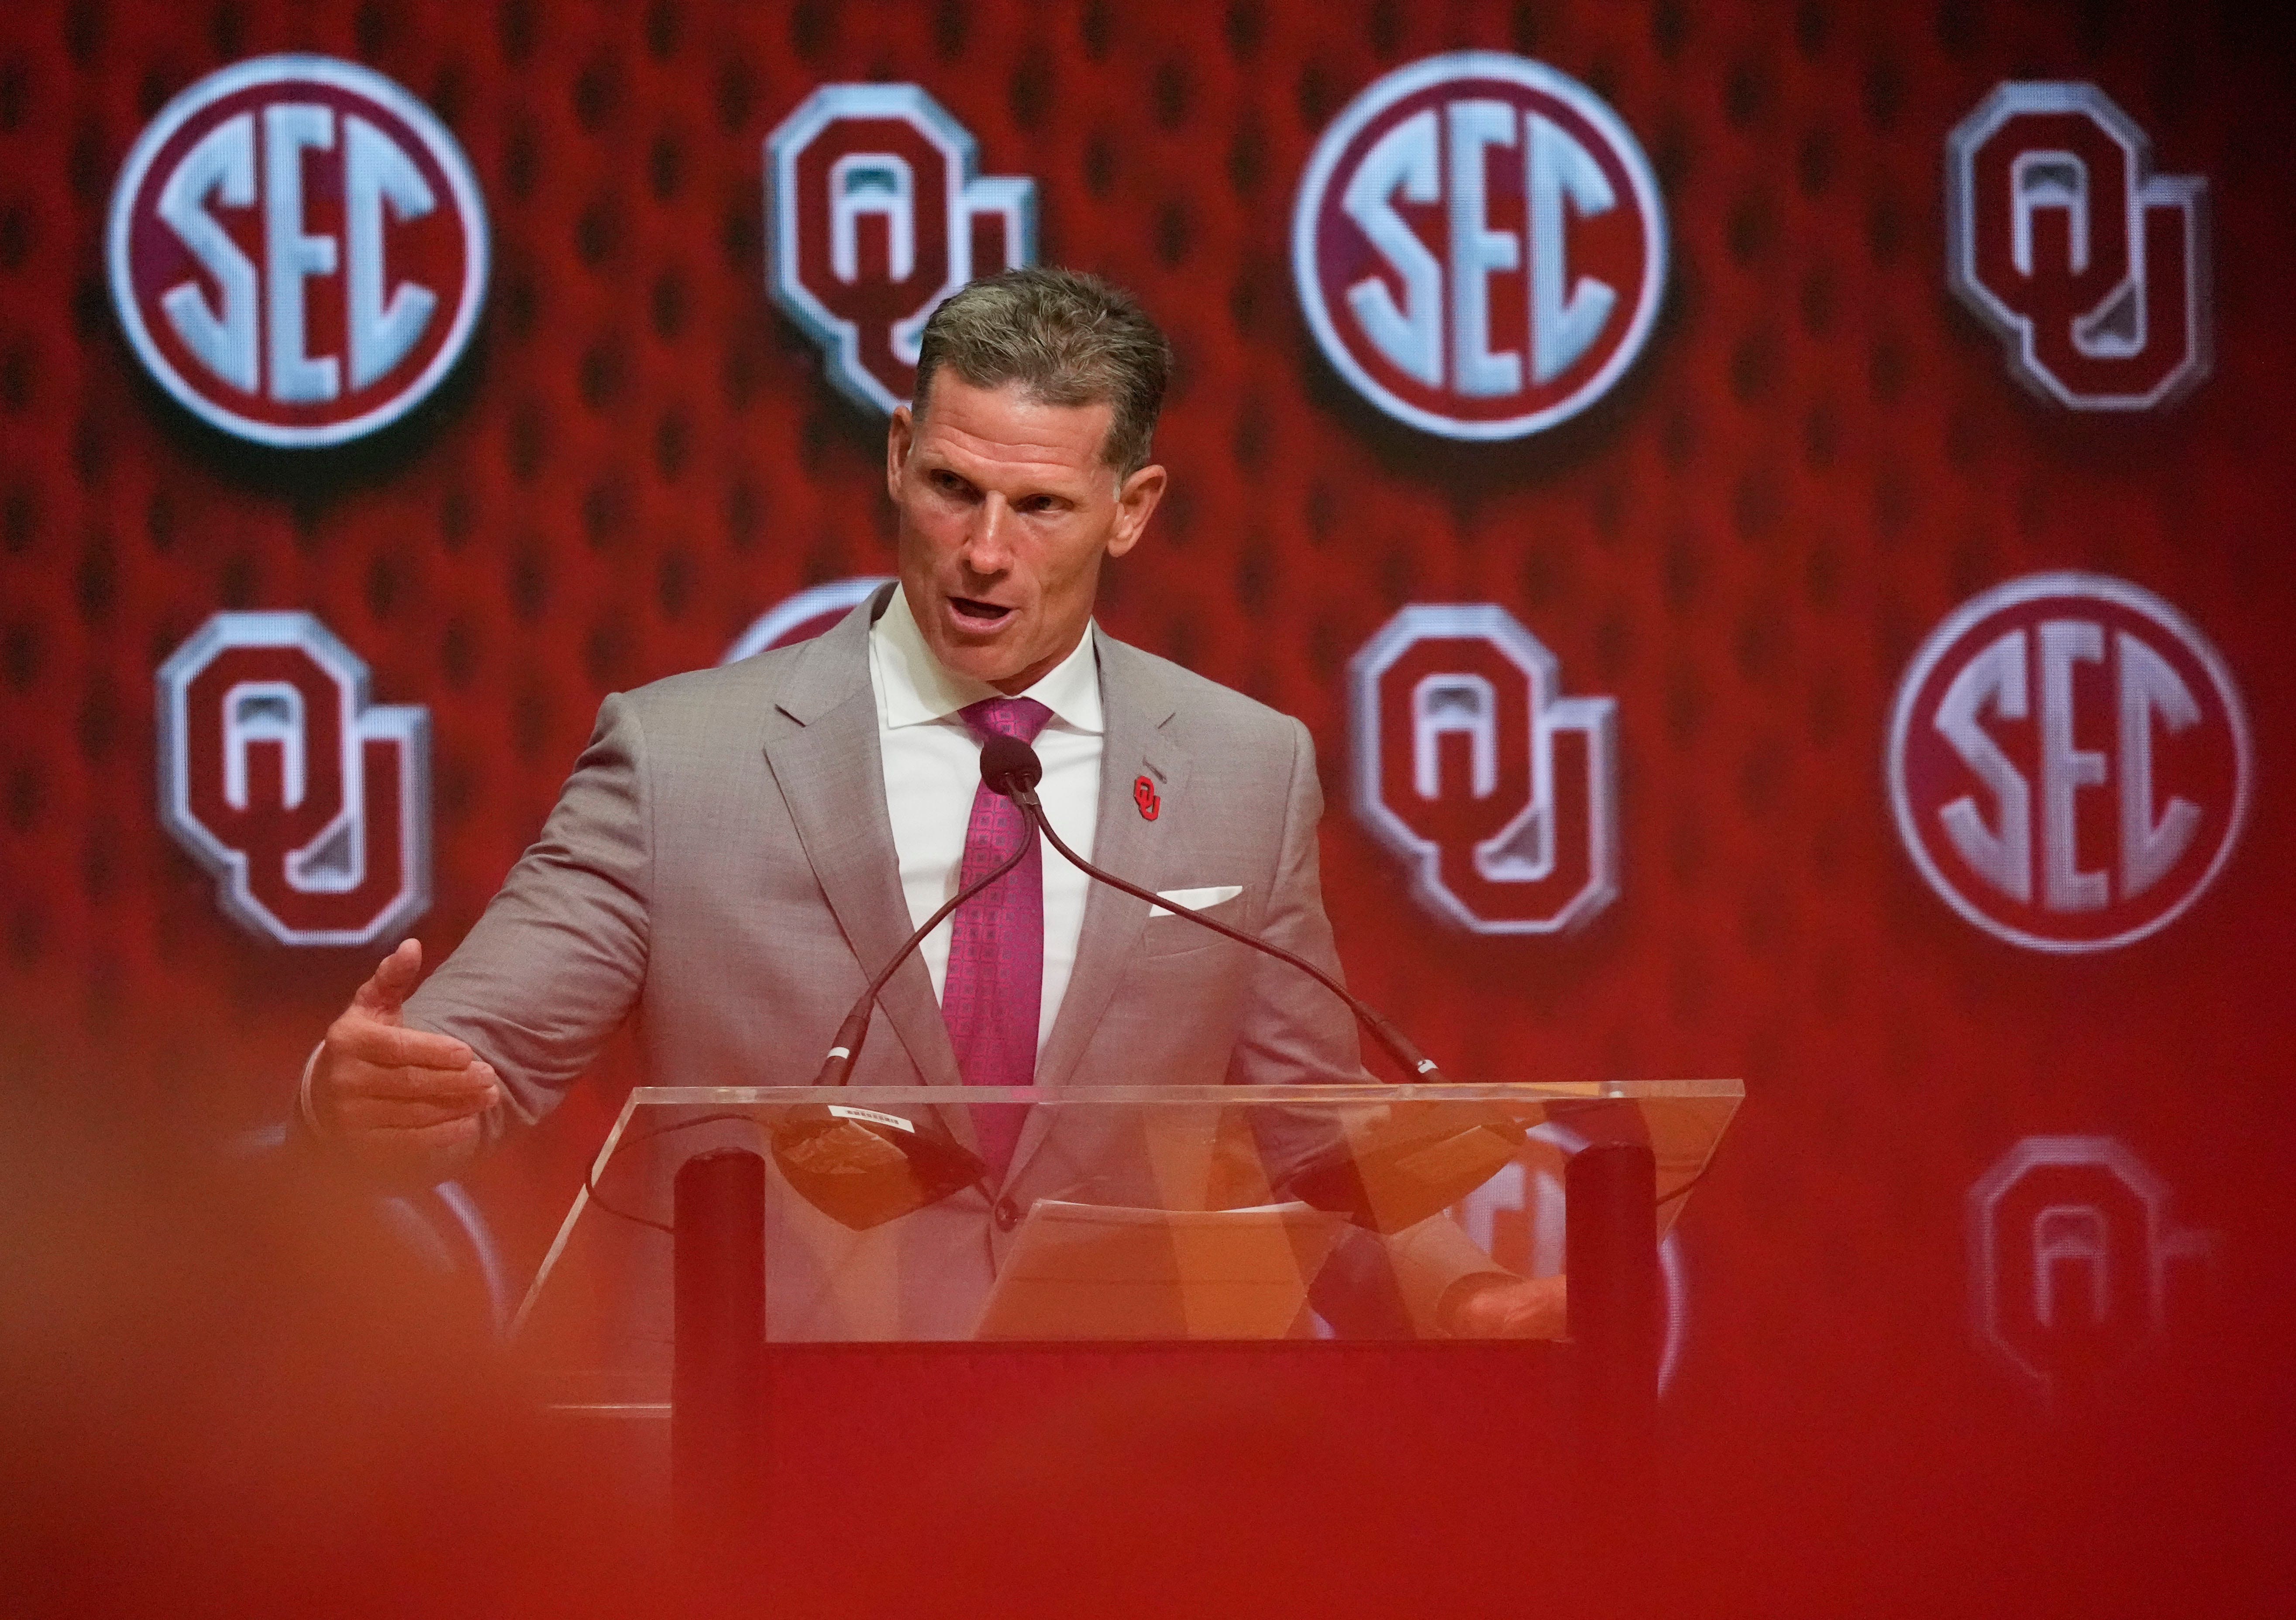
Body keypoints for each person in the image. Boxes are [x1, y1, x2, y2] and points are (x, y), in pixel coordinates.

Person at [303, 267, 1562, 1338]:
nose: (984, 551)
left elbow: (1307, 1137)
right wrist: (361, 1099)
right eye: (954, 487)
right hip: (765, 1453)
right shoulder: (681, 756)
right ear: (898, 456)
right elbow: (473, 1064)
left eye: (1043, 507)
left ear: (1132, 511)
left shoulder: (1244, 765)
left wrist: (1463, 1297)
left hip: (1112, 1459)